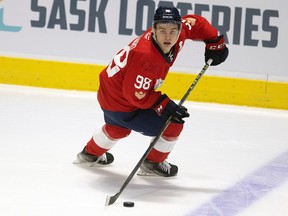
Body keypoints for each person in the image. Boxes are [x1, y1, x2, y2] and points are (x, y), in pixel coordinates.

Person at [73, 6, 228, 177]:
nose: (168, 36)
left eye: (172, 30)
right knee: (173, 123)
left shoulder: (177, 33)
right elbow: (134, 95)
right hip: (121, 100)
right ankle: (153, 163)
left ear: (180, 29)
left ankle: (89, 154)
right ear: (153, 29)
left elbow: (197, 23)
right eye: (162, 30)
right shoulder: (146, 57)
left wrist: (215, 42)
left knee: (118, 128)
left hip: (109, 92)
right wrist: (164, 104)